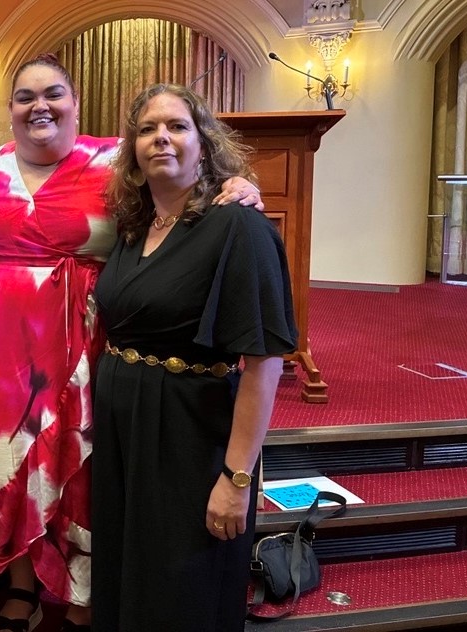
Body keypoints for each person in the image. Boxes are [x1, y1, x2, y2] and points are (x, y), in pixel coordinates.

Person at [0, 54, 263, 632]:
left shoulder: (114, 160)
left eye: (54, 93)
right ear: (10, 108)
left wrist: (240, 183)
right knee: (10, 458)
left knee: (82, 459)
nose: (39, 105)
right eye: (25, 96)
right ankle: (22, 583)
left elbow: (186, 187)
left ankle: (87, 587)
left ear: (75, 103)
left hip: (89, 340)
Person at [91, 83, 298, 631]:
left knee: (183, 584)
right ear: (131, 151)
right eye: (146, 129)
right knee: (128, 569)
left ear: (203, 144)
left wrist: (236, 479)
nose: (161, 138)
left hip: (190, 431)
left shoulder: (238, 225)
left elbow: (264, 363)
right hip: (125, 430)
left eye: (177, 126)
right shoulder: (135, 227)